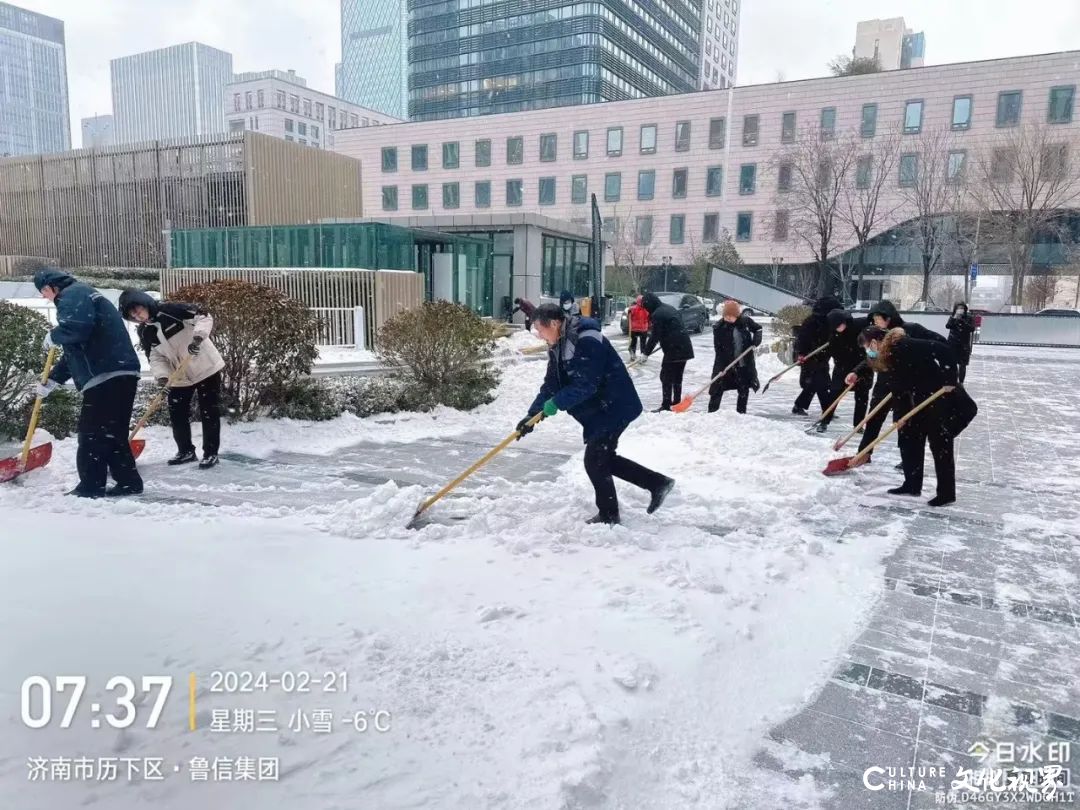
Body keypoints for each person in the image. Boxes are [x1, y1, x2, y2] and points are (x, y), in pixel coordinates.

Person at [515, 304, 675, 525]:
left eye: (540, 330)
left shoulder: (586, 339)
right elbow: (551, 384)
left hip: (614, 406)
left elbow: (587, 384)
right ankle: (657, 483)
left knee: (595, 460)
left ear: (554, 324)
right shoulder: (558, 344)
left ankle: (609, 515)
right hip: (599, 410)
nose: (539, 336)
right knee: (603, 459)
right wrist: (532, 416)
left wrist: (556, 403)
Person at [31, 269, 143, 498]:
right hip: (120, 371)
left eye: (43, 291)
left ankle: (91, 486)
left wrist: (56, 334)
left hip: (106, 373)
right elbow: (74, 350)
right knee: (112, 433)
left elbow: (76, 329)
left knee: (91, 433)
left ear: (52, 286)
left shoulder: (72, 295)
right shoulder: (83, 293)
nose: (44, 297)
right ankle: (129, 483)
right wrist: (53, 380)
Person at [859, 325, 978, 507]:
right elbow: (899, 388)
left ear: (875, 342)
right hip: (919, 399)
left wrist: (949, 381)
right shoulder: (888, 356)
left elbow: (943, 350)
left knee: (940, 444)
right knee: (909, 438)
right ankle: (912, 484)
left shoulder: (903, 345)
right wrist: (900, 416)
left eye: (868, 347)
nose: (869, 352)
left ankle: (946, 493)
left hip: (939, 397)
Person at [119, 289, 224, 469]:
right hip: (179, 375)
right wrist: (162, 378)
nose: (138, 317)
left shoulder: (171, 310)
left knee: (209, 412)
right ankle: (185, 451)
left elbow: (204, 315)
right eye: (133, 315)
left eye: (138, 310)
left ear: (145, 303)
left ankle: (210, 453)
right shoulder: (145, 332)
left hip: (206, 366)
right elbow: (155, 357)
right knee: (177, 413)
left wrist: (198, 337)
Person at [846, 300, 949, 462]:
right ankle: (864, 453)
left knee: (906, 421)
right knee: (874, 418)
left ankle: (908, 460)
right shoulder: (878, 334)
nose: (875, 323)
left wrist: (936, 369)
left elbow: (940, 344)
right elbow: (872, 357)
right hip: (885, 384)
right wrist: (856, 372)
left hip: (909, 385)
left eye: (877, 319)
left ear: (887, 317)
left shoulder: (911, 330)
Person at [819, 309, 872, 432]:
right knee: (834, 394)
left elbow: (871, 319)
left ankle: (858, 426)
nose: (840, 327)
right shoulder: (833, 335)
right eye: (836, 326)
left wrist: (858, 371)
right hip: (842, 367)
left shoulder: (859, 325)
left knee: (862, 397)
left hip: (862, 366)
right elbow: (832, 353)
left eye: (841, 324)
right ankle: (824, 420)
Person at [640, 292, 695, 411]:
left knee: (666, 376)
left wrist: (646, 353)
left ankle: (666, 405)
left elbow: (655, 336)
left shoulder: (657, 314)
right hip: (684, 347)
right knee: (677, 377)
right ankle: (676, 402)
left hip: (673, 349)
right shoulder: (669, 308)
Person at [708, 300, 762, 414]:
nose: (728, 318)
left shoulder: (745, 322)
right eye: (726, 316)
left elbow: (758, 328)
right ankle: (712, 413)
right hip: (726, 362)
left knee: (743, 388)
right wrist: (721, 368)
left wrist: (756, 339)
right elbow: (718, 350)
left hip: (743, 362)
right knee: (717, 387)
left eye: (731, 316)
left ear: (737, 315)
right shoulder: (719, 328)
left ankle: (741, 413)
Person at [792, 296, 841, 416]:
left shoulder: (829, 322)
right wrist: (801, 353)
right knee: (821, 383)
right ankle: (827, 410)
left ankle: (799, 405)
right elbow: (802, 340)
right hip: (809, 357)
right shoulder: (811, 322)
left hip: (822, 356)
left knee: (814, 384)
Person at [946, 302, 976, 384]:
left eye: (962, 308)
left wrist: (963, 322)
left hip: (964, 345)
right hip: (953, 343)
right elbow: (948, 326)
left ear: (965, 309)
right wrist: (955, 318)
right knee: (952, 364)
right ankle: (952, 381)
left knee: (962, 365)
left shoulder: (969, 317)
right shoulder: (953, 317)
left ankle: (961, 382)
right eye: (959, 308)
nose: (960, 310)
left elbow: (972, 328)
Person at [626, 295, 650, 360]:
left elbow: (629, 317)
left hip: (634, 329)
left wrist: (629, 311)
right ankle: (643, 355)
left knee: (633, 341)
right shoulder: (647, 309)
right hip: (643, 329)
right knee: (643, 343)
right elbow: (648, 318)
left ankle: (632, 352)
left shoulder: (632, 308)